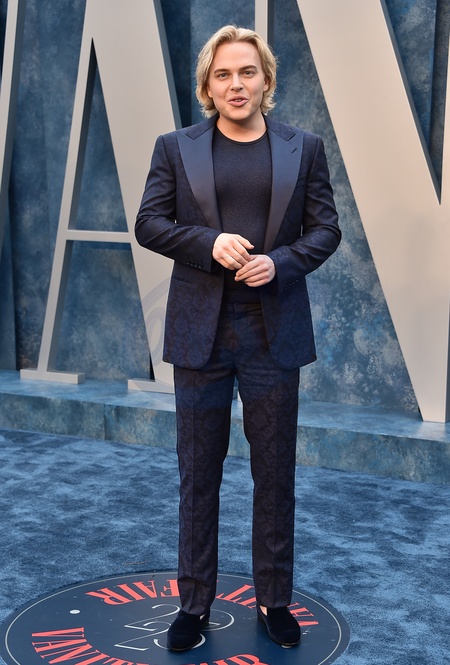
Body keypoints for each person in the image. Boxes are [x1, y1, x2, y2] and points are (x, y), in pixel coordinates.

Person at [135, 24, 341, 651]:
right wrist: (209, 243)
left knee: (273, 475)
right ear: (208, 86)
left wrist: (281, 262)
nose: (236, 84)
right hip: (200, 334)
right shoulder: (176, 147)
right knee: (198, 475)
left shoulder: (305, 148)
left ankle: (274, 600)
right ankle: (194, 605)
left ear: (266, 79)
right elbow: (149, 223)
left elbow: (325, 230)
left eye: (247, 71)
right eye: (222, 74)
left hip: (272, 334)